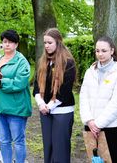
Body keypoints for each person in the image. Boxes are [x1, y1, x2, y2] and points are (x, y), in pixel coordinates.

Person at [0, 29, 31, 163]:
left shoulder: (21, 62)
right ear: (2, 44)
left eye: (11, 42)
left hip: (16, 108)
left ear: (16, 44)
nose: (7, 45)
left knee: (18, 141)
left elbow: (20, 83)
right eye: (5, 42)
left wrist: (1, 82)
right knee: (4, 141)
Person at [80, 36, 117, 163]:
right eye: (97, 51)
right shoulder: (90, 72)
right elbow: (83, 97)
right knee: (94, 160)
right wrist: (89, 121)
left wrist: (98, 124)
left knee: (111, 160)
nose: (100, 54)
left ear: (112, 51)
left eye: (104, 51)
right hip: (90, 126)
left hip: (111, 128)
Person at [33, 28, 77, 163]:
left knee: (60, 149)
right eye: (45, 43)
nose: (46, 46)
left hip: (62, 111)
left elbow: (65, 91)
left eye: (50, 42)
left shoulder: (68, 63)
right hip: (45, 111)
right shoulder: (43, 62)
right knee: (49, 147)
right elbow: (35, 88)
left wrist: (49, 106)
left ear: (58, 42)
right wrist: (41, 104)